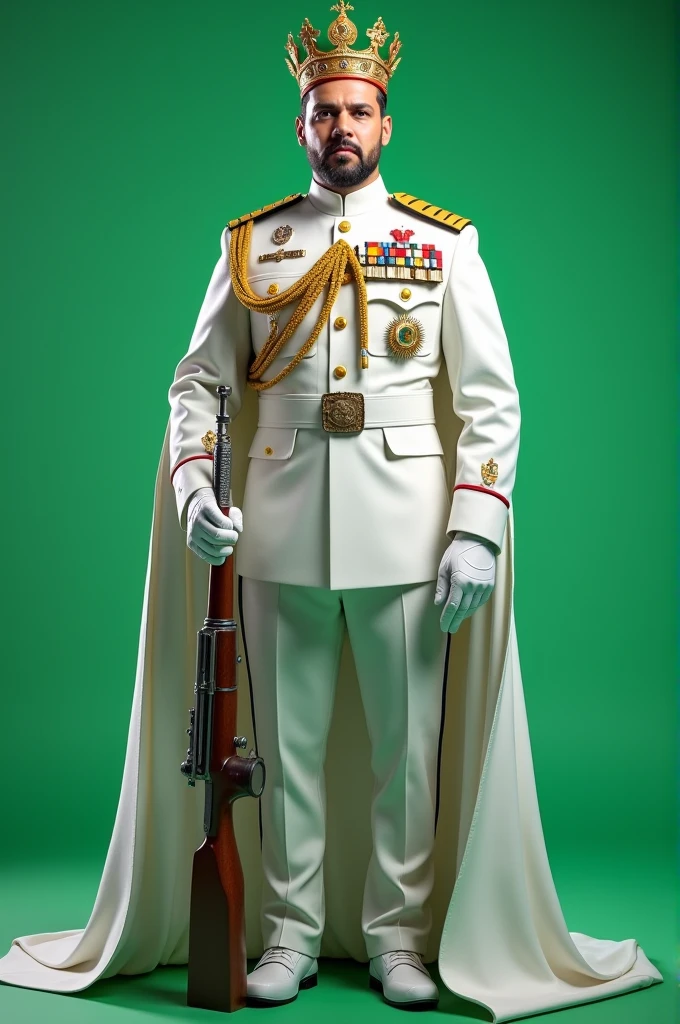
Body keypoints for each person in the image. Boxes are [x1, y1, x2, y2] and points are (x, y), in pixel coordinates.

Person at [0, 4, 663, 1018]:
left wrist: (475, 524)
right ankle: (291, 932)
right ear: (301, 127)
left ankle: (398, 936)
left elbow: (489, 396)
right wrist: (189, 484)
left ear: (384, 124)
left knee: (407, 751)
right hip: (277, 525)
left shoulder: (441, 243)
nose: (340, 126)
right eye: (323, 112)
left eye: (357, 109)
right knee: (284, 749)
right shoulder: (251, 244)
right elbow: (196, 382)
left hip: (406, 526)